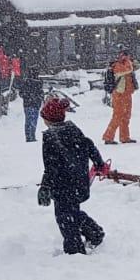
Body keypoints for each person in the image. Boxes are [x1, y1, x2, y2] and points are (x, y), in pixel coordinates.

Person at [37, 95, 107, 255]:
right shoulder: (73, 130)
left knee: (65, 218)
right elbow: (90, 146)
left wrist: (45, 186)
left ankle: (74, 251)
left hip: (63, 186)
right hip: (79, 183)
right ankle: (94, 233)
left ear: (47, 120)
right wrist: (99, 163)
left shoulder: (50, 138)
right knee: (72, 212)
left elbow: (51, 167)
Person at [102, 50, 138, 145]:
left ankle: (124, 137)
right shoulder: (117, 65)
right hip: (119, 93)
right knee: (118, 116)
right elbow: (128, 69)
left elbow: (136, 66)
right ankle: (108, 137)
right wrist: (128, 60)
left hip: (127, 93)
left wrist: (130, 61)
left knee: (126, 116)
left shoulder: (126, 63)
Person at [19, 70, 45, 142]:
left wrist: (27, 96)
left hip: (28, 104)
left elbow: (21, 93)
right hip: (35, 104)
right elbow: (41, 93)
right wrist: (39, 97)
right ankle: (31, 136)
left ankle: (29, 136)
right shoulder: (39, 83)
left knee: (29, 121)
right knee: (33, 121)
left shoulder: (26, 82)